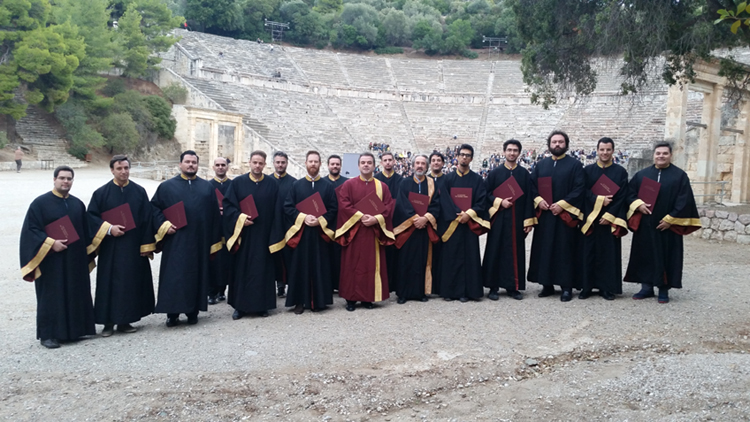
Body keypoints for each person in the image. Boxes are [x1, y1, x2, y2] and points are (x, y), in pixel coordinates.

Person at [20, 166, 110, 348]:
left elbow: (86, 231)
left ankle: (75, 331)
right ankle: (49, 335)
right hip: (51, 261)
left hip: (74, 259)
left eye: (69, 179)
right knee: (52, 296)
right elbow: (31, 230)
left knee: (74, 292)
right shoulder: (40, 204)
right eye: (62, 178)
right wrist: (51, 243)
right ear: (54, 179)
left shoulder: (78, 204)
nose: (65, 181)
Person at [151, 151, 223, 327]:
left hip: (199, 240)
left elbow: (214, 215)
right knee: (174, 276)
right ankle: (172, 313)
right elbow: (153, 209)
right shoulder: (166, 187)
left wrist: (214, 241)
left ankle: (193, 311)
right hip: (176, 240)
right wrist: (164, 225)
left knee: (196, 275)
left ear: (198, 165)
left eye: (194, 162)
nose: (191, 165)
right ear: (180, 164)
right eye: (187, 162)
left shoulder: (207, 187)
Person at [624, 142, 701, 303]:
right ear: (654, 155)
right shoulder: (642, 175)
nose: (661, 156)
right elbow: (629, 194)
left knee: (666, 256)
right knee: (645, 255)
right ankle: (646, 287)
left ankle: (663, 289)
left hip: (667, 227)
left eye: (665, 153)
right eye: (658, 153)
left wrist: (670, 219)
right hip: (645, 225)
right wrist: (638, 204)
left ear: (670, 155)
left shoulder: (679, 176)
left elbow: (684, 200)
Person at [87, 155, 155, 337]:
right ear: (112, 170)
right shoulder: (101, 193)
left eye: (126, 168)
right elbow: (91, 217)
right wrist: (109, 229)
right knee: (108, 284)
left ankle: (125, 320)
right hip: (111, 248)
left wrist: (146, 245)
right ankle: (108, 323)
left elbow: (147, 218)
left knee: (129, 284)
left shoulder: (139, 191)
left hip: (133, 246)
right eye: (119, 168)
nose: (123, 172)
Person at [272, 151, 338, 314]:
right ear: (306, 163)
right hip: (301, 234)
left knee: (320, 266)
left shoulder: (327, 186)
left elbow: (333, 209)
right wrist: (303, 217)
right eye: (310, 161)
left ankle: (319, 301)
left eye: (316, 161)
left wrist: (320, 220)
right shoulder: (297, 185)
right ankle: (299, 301)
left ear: (320, 164)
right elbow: (288, 207)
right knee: (300, 267)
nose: (313, 164)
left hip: (320, 234)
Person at [528, 130, 586, 302]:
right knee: (544, 249)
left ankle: (566, 287)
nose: (557, 144)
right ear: (549, 145)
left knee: (565, 250)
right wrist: (538, 200)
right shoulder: (541, 165)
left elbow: (579, 188)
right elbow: (531, 186)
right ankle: (546, 284)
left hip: (564, 216)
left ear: (566, 144)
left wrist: (562, 204)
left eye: (560, 142)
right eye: (554, 142)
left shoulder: (575, 165)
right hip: (546, 215)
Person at [335, 152, 395, 311]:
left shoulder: (382, 187)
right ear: (358, 165)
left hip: (373, 233)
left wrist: (376, 219)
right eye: (363, 162)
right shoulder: (349, 185)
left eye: (369, 162)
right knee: (352, 265)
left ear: (374, 166)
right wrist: (360, 216)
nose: (366, 165)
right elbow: (344, 205)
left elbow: (388, 206)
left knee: (370, 265)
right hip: (354, 232)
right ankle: (350, 298)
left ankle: (368, 298)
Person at [223, 151, 279, 319]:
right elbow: (228, 206)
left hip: (264, 236)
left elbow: (277, 210)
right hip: (244, 236)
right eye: (255, 162)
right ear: (249, 162)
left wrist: (274, 236)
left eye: (260, 163)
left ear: (265, 164)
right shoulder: (237, 183)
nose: (257, 166)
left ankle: (262, 306)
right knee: (242, 270)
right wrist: (240, 219)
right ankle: (240, 307)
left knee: (262, 271)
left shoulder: (272, 184)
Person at [482, 140, 536, 301]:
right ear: (504, 152)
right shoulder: (495, 173)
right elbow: (485, 194)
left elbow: (529, 197)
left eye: (515, 150)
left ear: (519, 153)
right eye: (509, 150)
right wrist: (499, 202)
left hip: (517, 220)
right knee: (495, 250)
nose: (512, 153)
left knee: (515, 252)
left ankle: (513, 286)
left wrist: (528, 220)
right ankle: (493, 286)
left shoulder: (524, 174)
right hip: (498, 219)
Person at [437, 144, 490, 302]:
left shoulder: (477, 180)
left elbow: (481, 200)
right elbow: (444, 199)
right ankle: (449, 291)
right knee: (450, 257)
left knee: (469, 258)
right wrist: (457, 214)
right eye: (462, 154)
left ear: (471, 159)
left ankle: (467, 292)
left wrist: (469, 214)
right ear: (457, 157)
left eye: (468, 155)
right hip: (452, 224)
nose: (464, 157)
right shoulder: (447, 179)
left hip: (469, 224)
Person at [579, 138, 629, 300]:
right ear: (597, 150)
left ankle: (606, 287)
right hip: (591, 218)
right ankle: (586, 286)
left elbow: (622, 197)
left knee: (608, 254)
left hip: (610, 219)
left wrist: (610, 216)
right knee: (587, 253)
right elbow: (583, 191)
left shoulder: (620, 172)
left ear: (613, 151)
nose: (605, 153)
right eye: (602, 149)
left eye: (608, 150)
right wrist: (598, 199)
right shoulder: (587, 170)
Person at [393, 155, 440, 303]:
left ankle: (421, 292)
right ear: (412, 166)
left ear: (427, 166)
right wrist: (415, 219)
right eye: (417, 163)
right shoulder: (404, 183)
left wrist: (425, 218)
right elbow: (401, 204)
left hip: (424, 228)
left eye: (422, 163)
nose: (420, 166)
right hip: (408, 229)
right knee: (405, 260)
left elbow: (436, 204)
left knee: (422, 259)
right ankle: (403, 293)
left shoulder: (432, 184)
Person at [374, 152, 402, 293]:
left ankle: (395, 283)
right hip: (379, 221)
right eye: (385, 160)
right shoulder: (376, 180)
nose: (388, 162)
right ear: (381, 163)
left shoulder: (401, 180)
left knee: (396, 254)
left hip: (397, 222)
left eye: (390, 160)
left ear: (394, 162)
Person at [271, 151, 296, 298]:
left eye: (283, 162)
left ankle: (290, 286)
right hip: (271, 226)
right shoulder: (266, 181)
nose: (280, 165)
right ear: (273, 163)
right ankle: (278, 284)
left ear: (287, 163)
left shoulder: (294, 183)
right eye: (278, 162)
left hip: (288, 226)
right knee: (274, 258)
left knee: (289, 257)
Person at [208, 157, 232, 305]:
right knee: (213, 261)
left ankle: (223, 290)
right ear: (213, 167)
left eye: (223, 165)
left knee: (227, 262)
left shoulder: (233, 185)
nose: (220, 167)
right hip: (214, 230)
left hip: (229, 230)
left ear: (227, 167)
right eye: (218, 165)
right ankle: (212, 292)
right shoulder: (207, 186)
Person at [326, 154, 348, 292]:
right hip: (326, 225)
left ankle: (341, 284)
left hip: (343, 225)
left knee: (341, 257)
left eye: (337, 164)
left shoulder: (347, 183)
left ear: (341, 166)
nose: (335, 166)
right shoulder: (323, 182)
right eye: (332, 164)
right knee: (327, 256)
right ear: (328, 165)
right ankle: (328, 285)